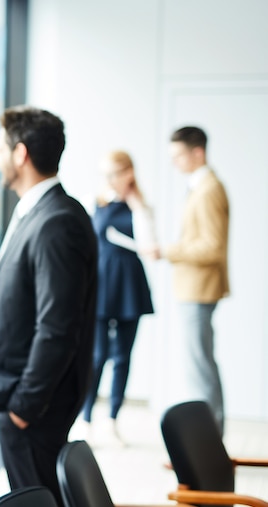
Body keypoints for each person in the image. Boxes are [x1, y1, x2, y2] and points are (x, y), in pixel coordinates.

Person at [0, 105, 97, 504]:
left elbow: (57, 326)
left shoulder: (56, 221)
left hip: (36, 407)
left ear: (20, 154)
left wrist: (24, 406)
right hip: (28, 401)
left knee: (39, 498)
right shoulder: (42, 211)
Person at [156, 126, 229, 433]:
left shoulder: (209, 188)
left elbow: (213, 247)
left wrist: (168, 251)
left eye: (178, 156)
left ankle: (209, 442)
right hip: (191, 288)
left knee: (200, 369)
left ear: (197, 152)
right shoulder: (199, 186)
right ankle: (207, 439)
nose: (175, 163)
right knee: (198, 366)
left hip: (199, 289)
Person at [79, 150, 155, 446]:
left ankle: (112, 420)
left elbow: (149, 245)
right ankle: (86, 419)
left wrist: (137, 205)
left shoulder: (142, 207)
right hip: (100, 284)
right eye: (105, 174)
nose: (108, 180)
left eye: (114, 174)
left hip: (129, 286)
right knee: (96, 356)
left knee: (123, 356)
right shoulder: (93, 202)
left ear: (129, 173)